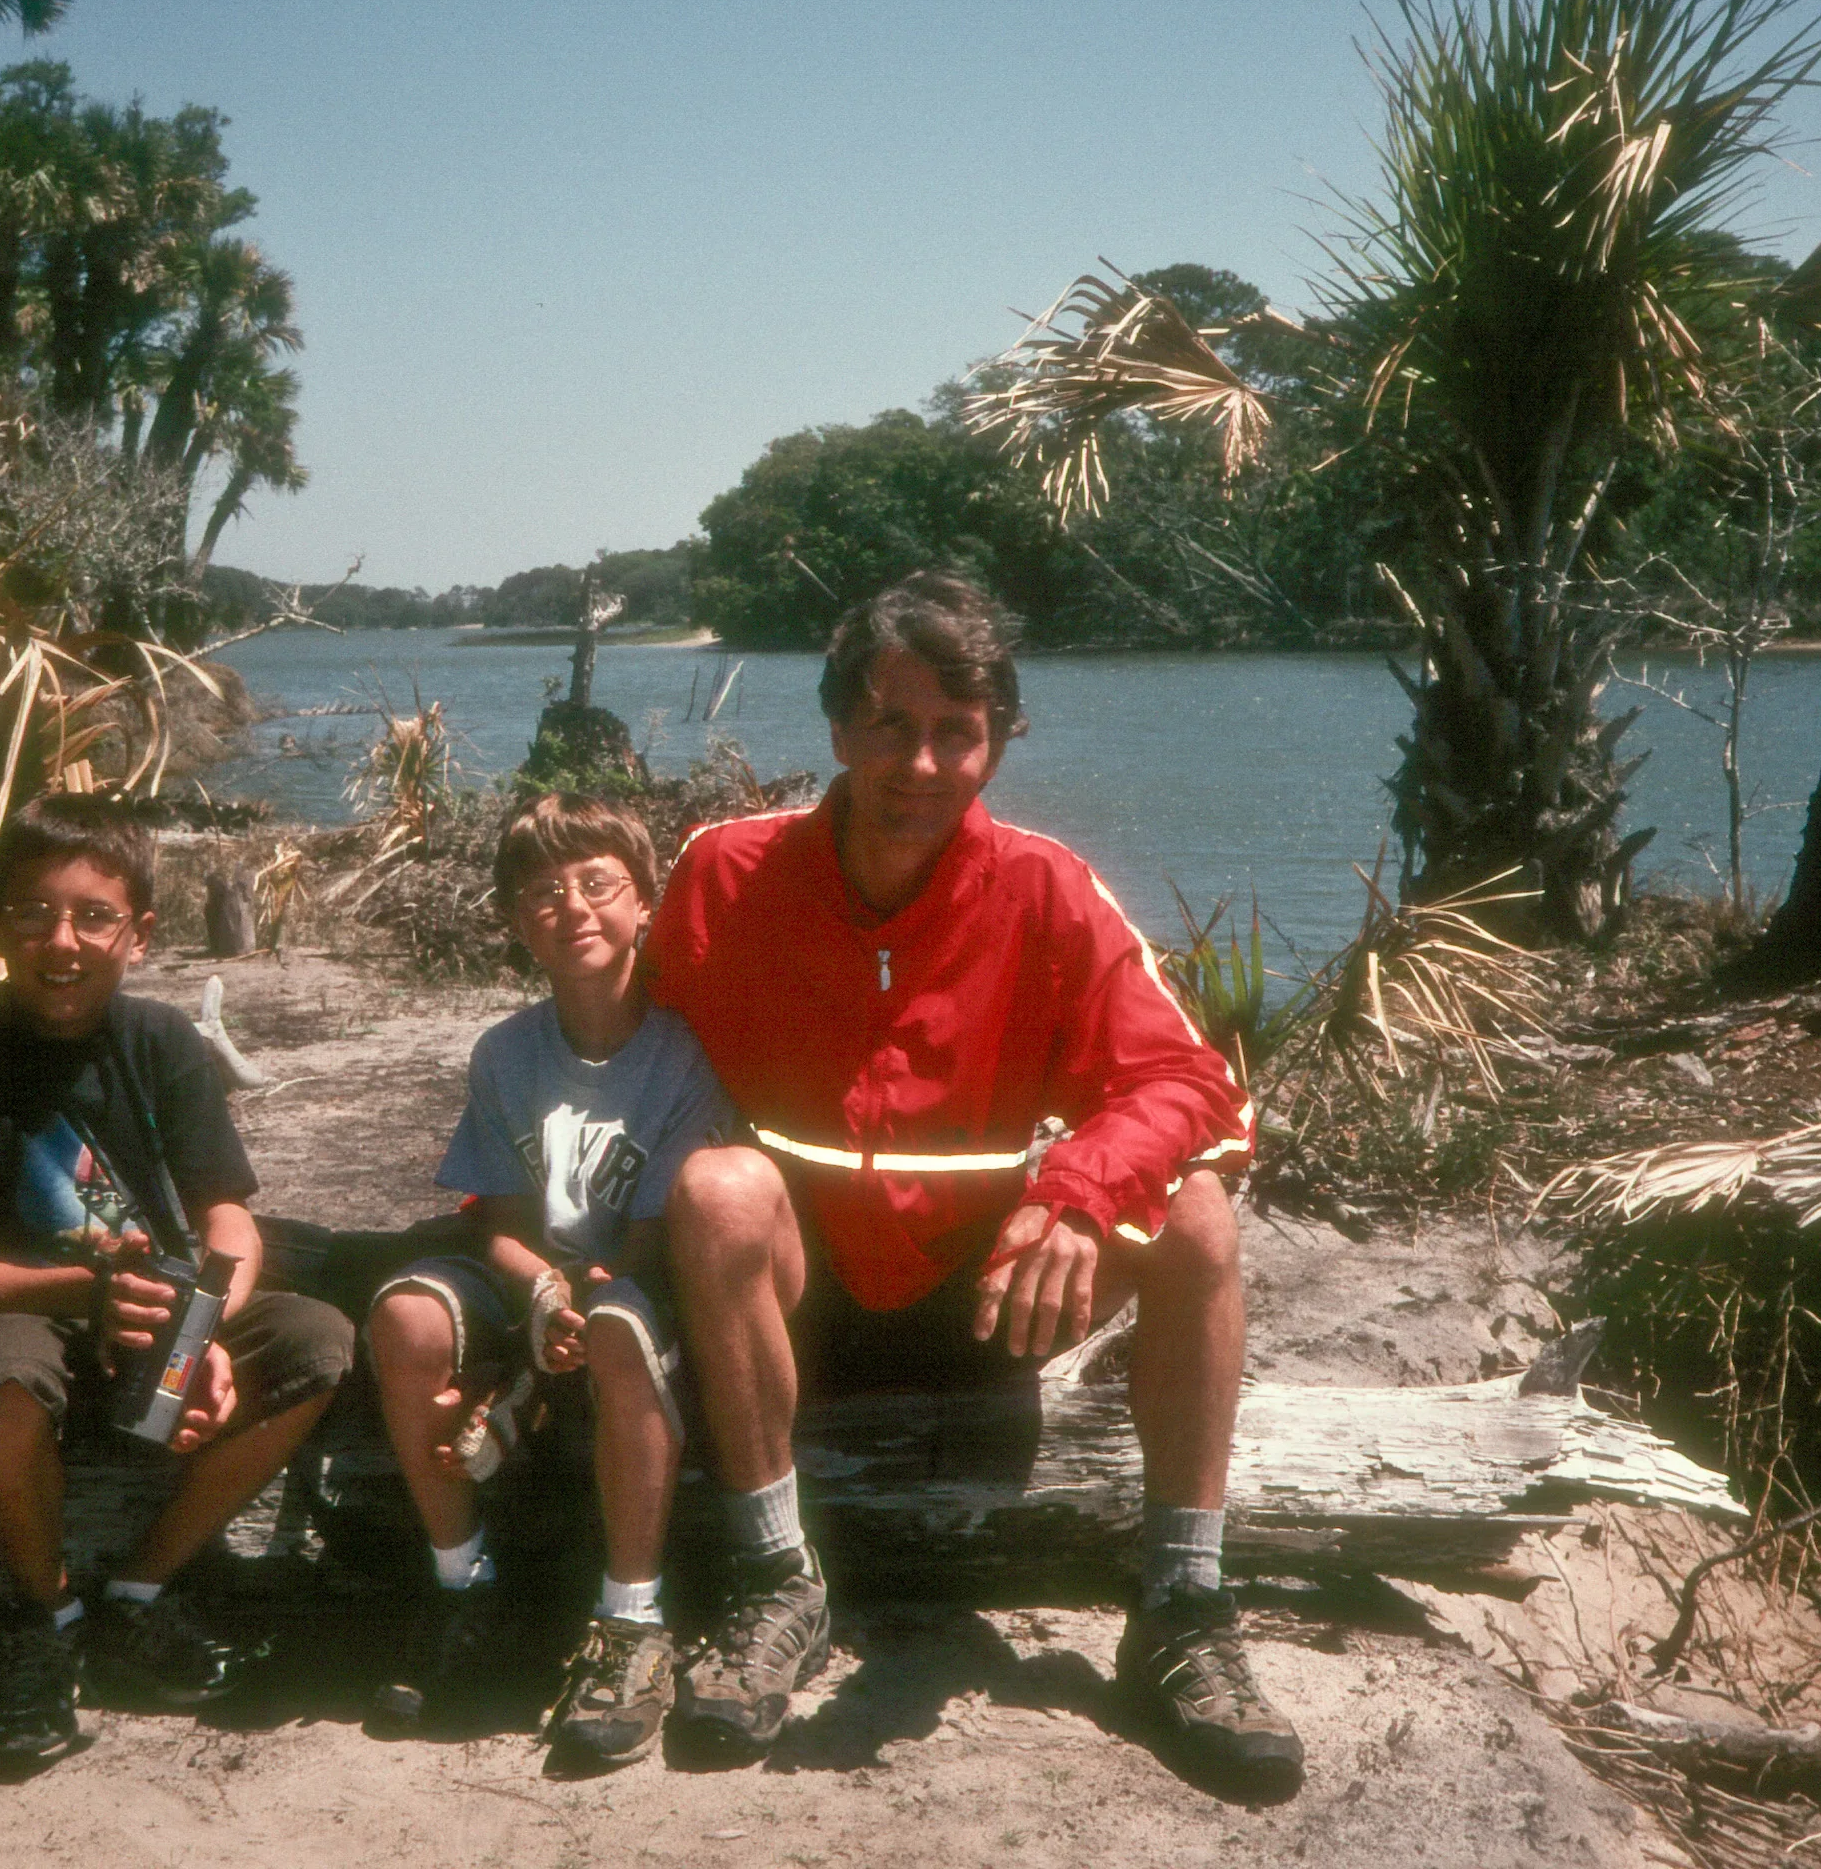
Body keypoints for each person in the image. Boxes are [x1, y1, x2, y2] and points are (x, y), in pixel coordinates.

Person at [647, 572, 1304, 1796]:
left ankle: (1183, 1604)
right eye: (891, 723)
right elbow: (621, 1062)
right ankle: (774, 1578)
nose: (924, 761)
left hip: (990, 1298)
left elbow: (1198, 1086)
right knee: (723, 1186)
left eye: (960, 730)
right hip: (798, 1306)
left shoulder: (1047, 888)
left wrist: (1077, 1189)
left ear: (998, 740)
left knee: (1196, 1213)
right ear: (840, 729)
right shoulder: (725, 877)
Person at [0, 793, 356, 1772]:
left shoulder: (161, 1043)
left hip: (150, 1321)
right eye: (33, 913)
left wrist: (201, 1330)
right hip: (13, 1316)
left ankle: (139, 1594)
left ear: (141, 932)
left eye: (94, 915)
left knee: (319, 1339)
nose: (61, 940)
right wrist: (80, 1291)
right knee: (7, 1370)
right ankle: (51, 1618)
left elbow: (228, 1220)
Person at [364, 794, 738, 1768]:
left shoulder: (686, 1050)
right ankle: (462, 1580)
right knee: (405, 1318)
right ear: (516, 919)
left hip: (631, 1279)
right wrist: (538, 1294)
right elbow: (499, 1222)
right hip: (533, 1273)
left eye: (598, 883)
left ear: (646, 902)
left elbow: (661, 1232)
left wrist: (577, 1304)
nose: (572, 906)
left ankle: (631, 1616)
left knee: (616, 1324)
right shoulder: (507, 1052)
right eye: (542, 892)